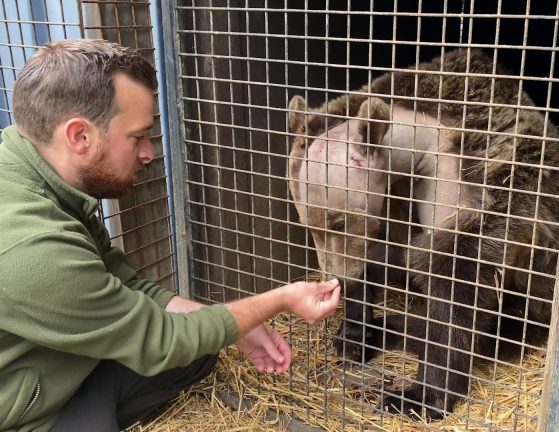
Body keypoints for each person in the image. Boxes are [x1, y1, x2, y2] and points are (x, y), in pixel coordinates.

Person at [0, 39, 341, 432]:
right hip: (26, 405)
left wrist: (232, 327)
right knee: (186, 340)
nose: (148, 152)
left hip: (63, 360)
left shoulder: (54, 183)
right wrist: (278, 300)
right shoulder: (31, 248)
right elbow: (160, 338)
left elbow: (128, 287)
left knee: (202, 346)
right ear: (79, 136)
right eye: (137, 136)